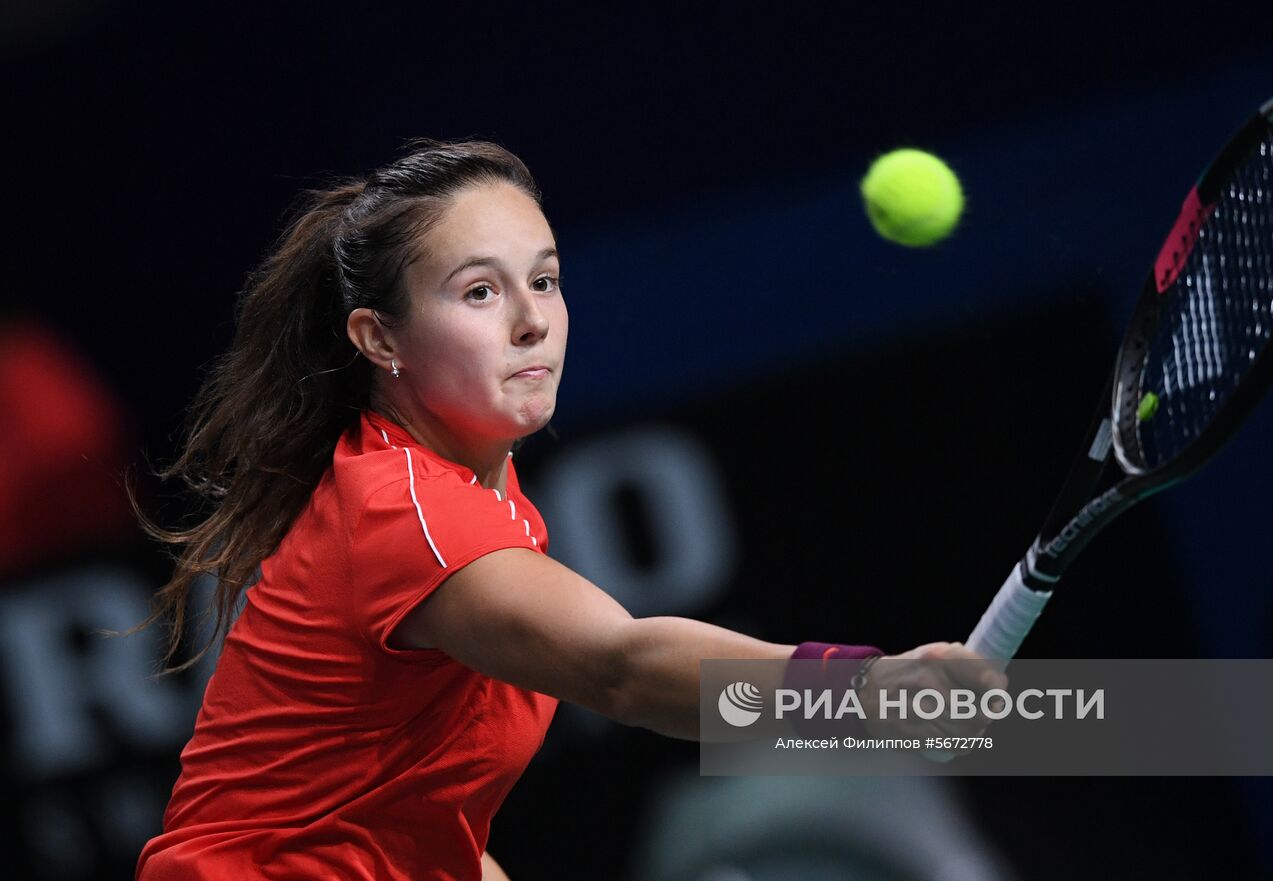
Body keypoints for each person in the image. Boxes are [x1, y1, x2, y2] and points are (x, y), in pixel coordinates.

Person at [132, 140, 1004, 881]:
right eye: (480, 292)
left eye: (544, 281)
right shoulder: (409, 514)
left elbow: (415, 824)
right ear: (378, 338)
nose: (530, 321)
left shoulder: (480, 495)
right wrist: (859, 692)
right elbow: (623, 667)